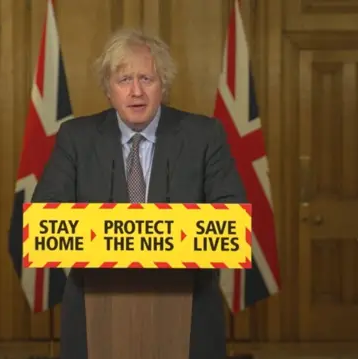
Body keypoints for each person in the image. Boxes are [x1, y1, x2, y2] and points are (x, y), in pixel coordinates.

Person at [32, 28, 247, 359]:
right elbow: (44, 223)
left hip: (189, 311)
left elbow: (232, 225)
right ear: (108, 89)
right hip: (94, 312)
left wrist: (132, 235)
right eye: (124, 80)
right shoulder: (76, 137)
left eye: (147, 79)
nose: (136, 91)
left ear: (164, 85)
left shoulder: (204, 135)